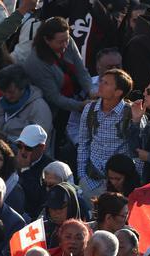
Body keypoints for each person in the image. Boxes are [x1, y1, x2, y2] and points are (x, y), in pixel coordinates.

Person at [23, 16, 93, 157]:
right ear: (47, 40)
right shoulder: (36, 62)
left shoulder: (68, 42)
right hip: (54, 110)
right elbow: (54, 97)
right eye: (60, 42)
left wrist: (91, 91)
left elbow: (81, 70)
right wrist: (80, 106)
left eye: (67, 39)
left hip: (73, 98)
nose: (65, 44)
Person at [77, 69, 134, 197]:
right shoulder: (89, 109)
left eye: (106, 83)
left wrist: (135, 182)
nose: (100, 85)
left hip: (119, 186)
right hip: (91, 183)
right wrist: (82, 177)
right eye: (101, 81)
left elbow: (137, 150)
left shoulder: (131, 113)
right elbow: (83, 144)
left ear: (118, 92)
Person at [0, 66, 54, 150]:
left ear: (22, 87)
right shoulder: (0, 103)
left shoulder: (39, 108)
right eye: (4, 92)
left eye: (11, 92)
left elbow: (37, 143)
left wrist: (7, 140)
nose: (7, 96)